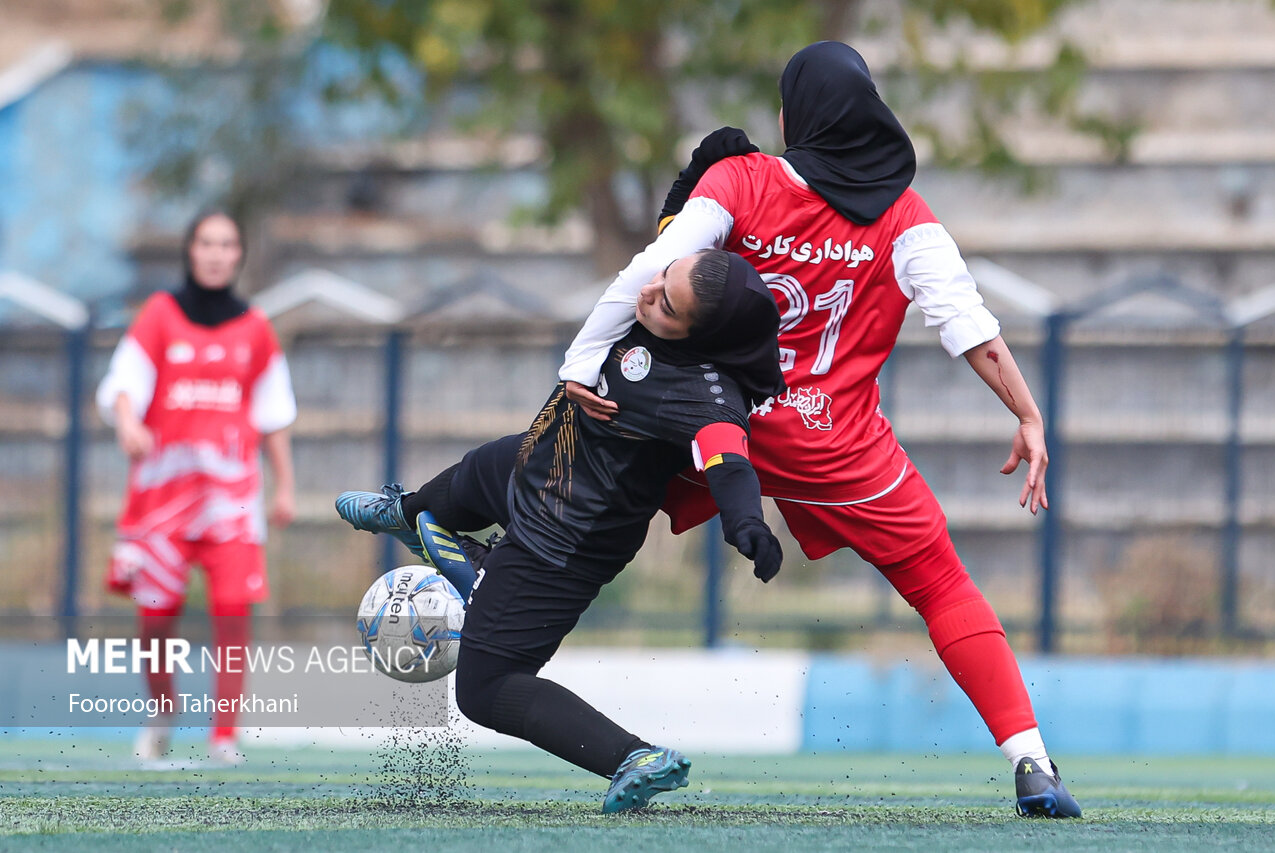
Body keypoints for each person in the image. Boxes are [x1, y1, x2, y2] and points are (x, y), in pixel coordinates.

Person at [553, 41, 1081, 818]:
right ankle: (1032, 762)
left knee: (608, 481)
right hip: (838, 446)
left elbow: (656, 264)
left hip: (716, 416)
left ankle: (493, 562)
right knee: (941, 584)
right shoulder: (907, 215)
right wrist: (1027, 414)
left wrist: (583, 355)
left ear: (792, 116)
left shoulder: (743, 178)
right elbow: (967, 325)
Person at [337, 249, 787, 812]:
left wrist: (747, 522)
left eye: (667, 305)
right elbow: (691, 218)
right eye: (660, 279)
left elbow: (729, 460)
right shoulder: (644, 303)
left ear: (703, 336)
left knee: (484, 689)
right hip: (534, 467)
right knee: (475, 472)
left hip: (563, 542)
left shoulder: (703, 395)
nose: (647, 295)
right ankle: (412, 518)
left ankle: (634, 756)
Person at [96, 208, 297, 765]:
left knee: (233, 611)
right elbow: (122, 386)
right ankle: (162, 711)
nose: (215, 252)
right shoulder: (159, 316)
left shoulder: (255, 329)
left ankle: (224, 734)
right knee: (156, 617)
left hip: (230, 506)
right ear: (190, 250)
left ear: (239, 254)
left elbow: (273, 416)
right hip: (161, 506)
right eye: (205, 242)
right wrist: (129, 421)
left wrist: (285, 487)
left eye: (226, 243)